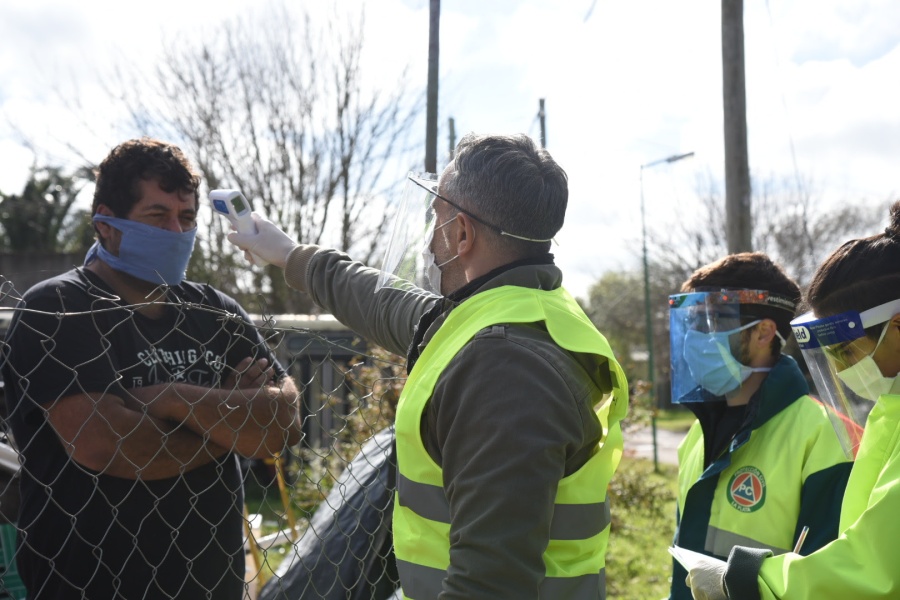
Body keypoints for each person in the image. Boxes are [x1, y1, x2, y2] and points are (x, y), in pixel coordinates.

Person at [228, 132, 629, 599]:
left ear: (462, 233)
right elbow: (386, 304)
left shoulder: (506, 370)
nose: (429, 239)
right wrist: (289, 254)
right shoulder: (520, 313)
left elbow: (490, 584)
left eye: (436, 217)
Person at [0, 137, 302, 599]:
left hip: (210, 584)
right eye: (157, 217)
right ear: (106, 224)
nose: (176, 232)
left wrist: (172, 399)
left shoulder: (215, 311)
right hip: (88, 584)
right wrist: (233, 426)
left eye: (186, 219)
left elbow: (283, 424)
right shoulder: (58, 307)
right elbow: (107, 445)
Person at [686, 202, 900, 599]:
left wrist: (749, 579)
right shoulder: (890, 414)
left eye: (846, 352)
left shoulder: (821, 437)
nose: (840, 371)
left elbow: (874, 569)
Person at [667, 253, 852, 600]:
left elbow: (829, 581)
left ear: (764, 332)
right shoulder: (698, 432)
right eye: (691, 322)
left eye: (712, 321)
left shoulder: (827, 437)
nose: (695, 336)